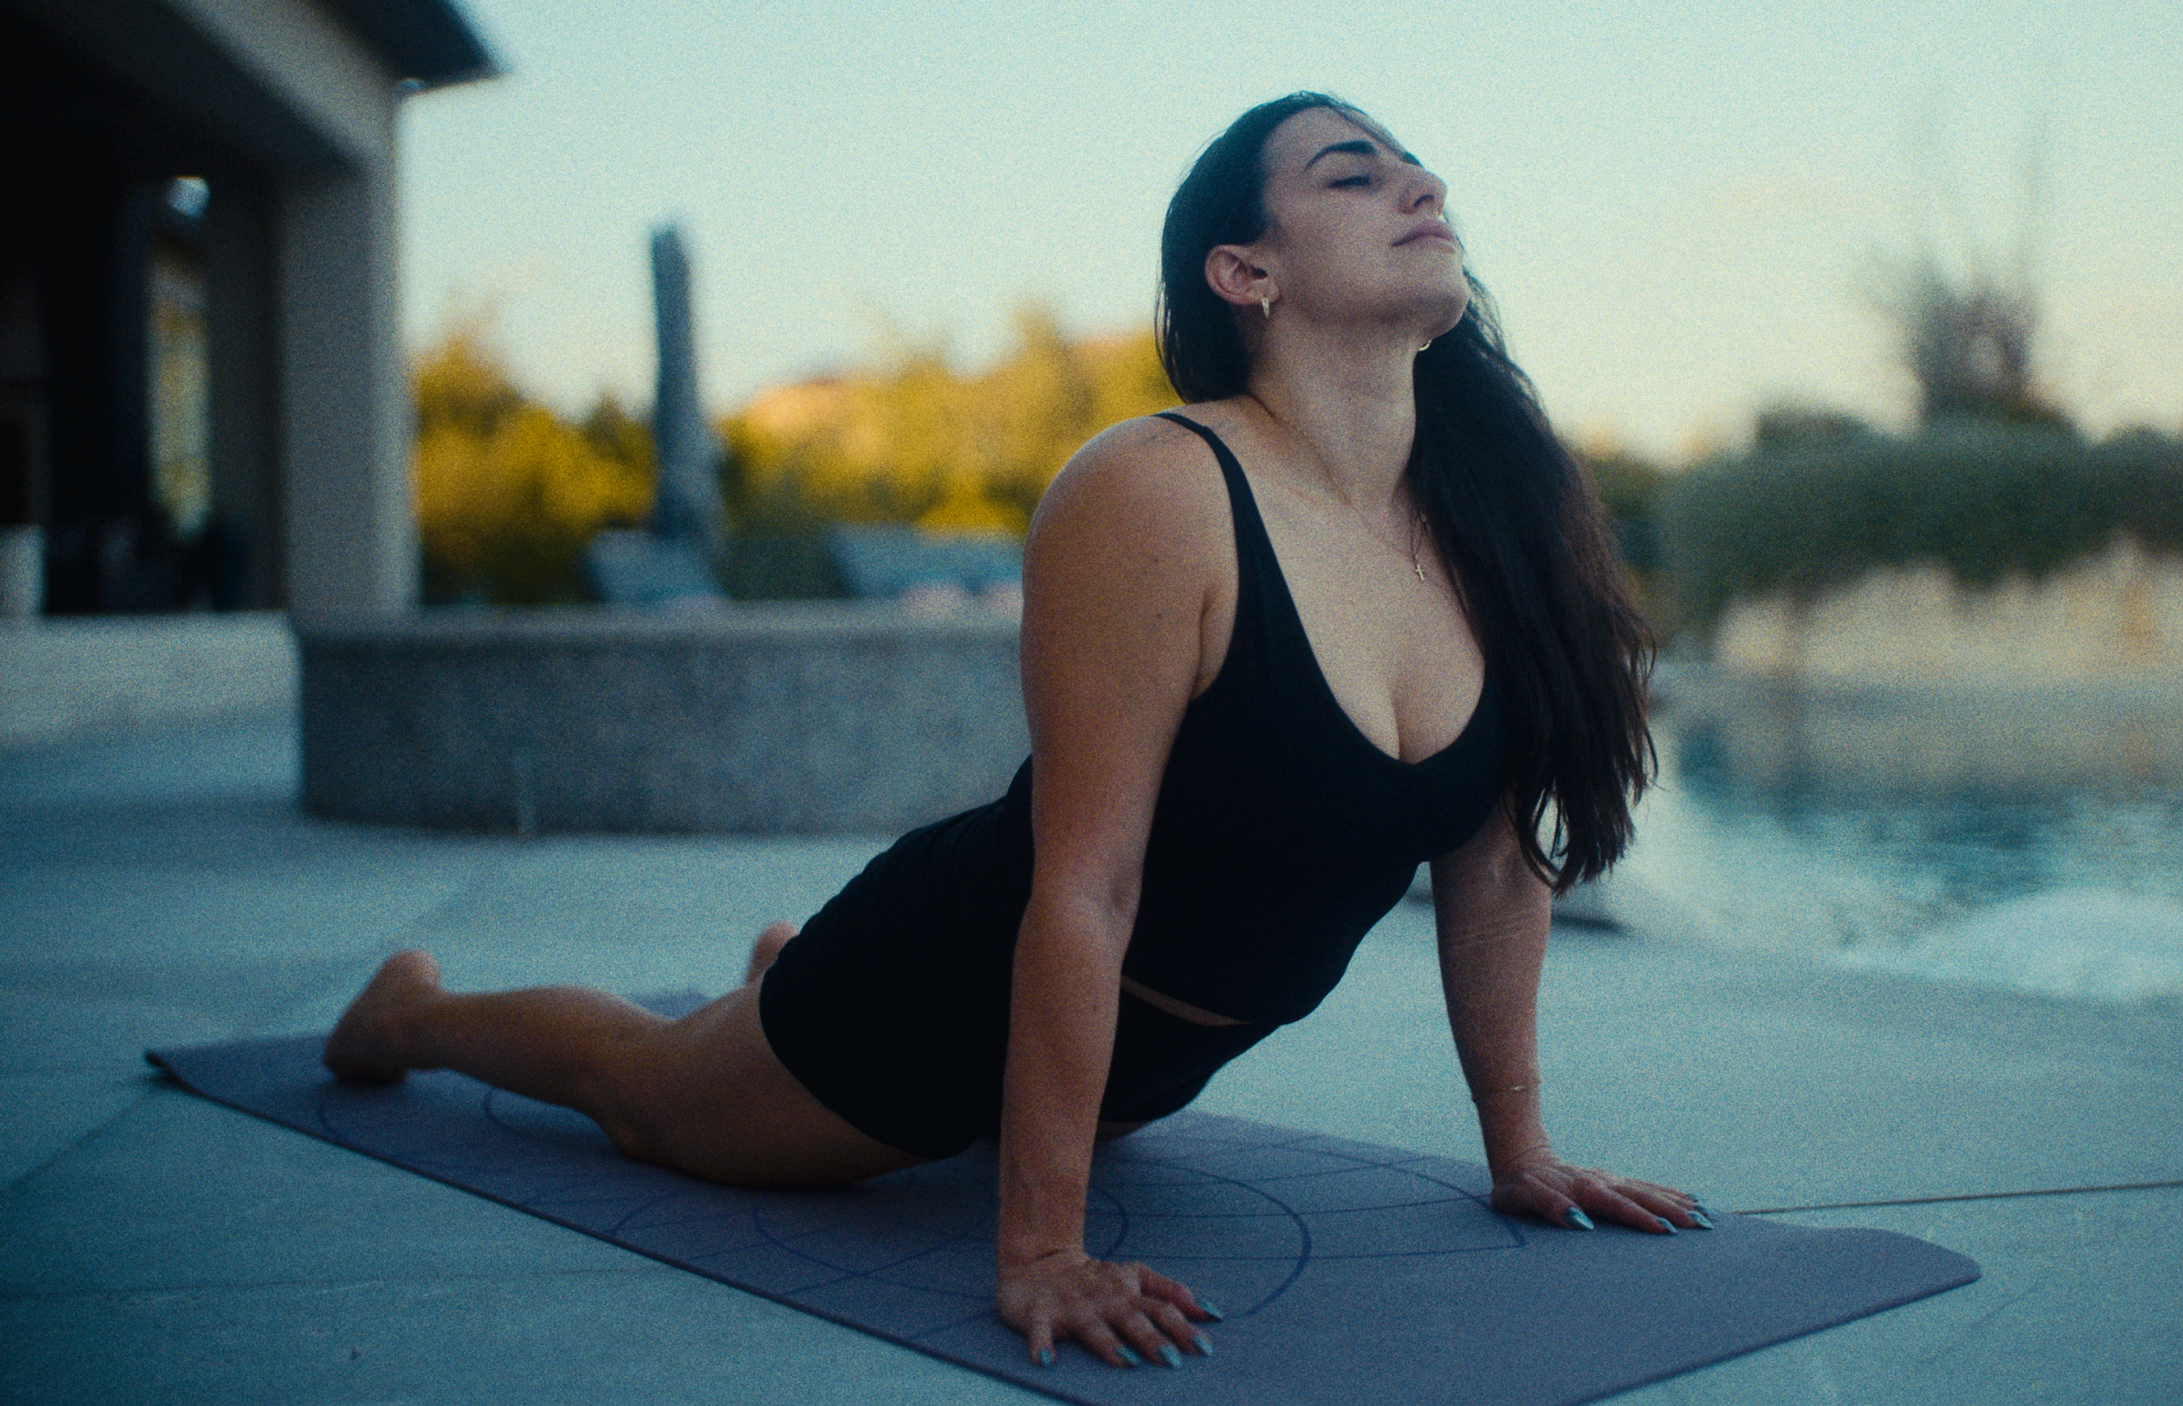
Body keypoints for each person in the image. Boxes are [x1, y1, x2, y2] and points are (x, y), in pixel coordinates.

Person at [322, 92, 1708, 1372]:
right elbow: (1087, 884)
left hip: (1142, 1061)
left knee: (808, 1061)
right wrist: (1040, 1247)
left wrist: (1519, 1149)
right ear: (1247, 272)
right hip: (945, 988)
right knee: (641, 1095)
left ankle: (772, 977)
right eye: (1357, 172)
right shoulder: (1158, 491)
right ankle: (416, 1010)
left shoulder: (1496, 522)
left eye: (1418, 165)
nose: (1423, 182)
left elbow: (1493, 866)